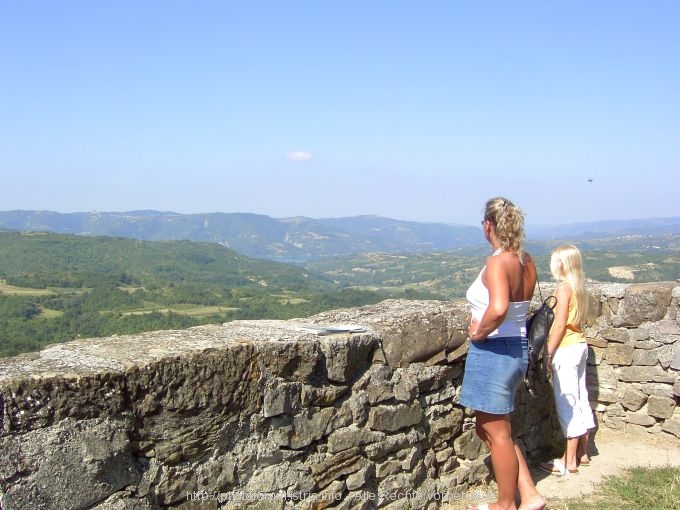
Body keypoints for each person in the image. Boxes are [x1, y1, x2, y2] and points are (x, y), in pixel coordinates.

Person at [459, 197, 545, 510]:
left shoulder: (497, 262)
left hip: (494, 351)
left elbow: (498, 308)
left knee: (496, 434)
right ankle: (530, 494)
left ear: (488, 226)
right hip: (517, 349)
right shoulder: (527, 260)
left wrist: (478, 331)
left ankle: (506, 504)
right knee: (495, 430)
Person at [539, 244, 595, 476]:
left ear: (561, 264)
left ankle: (568, 460)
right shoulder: (578, 286)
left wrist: (548, 353)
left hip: (566, 349)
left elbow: (560, 324)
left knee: (567, 402)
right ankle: (583, 452)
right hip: (580, 345)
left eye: (555, 260)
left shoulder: (563, 288)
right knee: (581, 398)